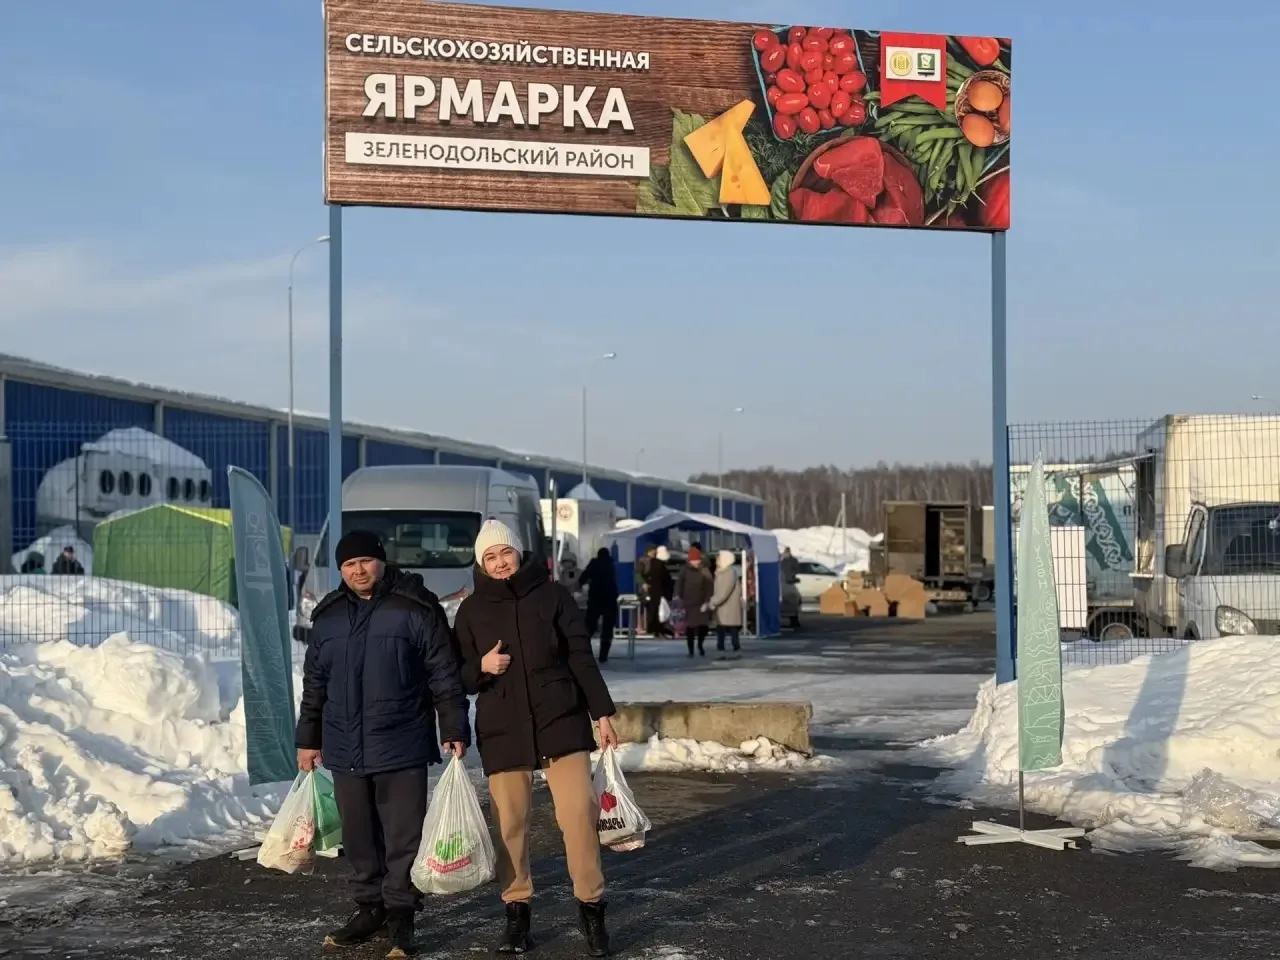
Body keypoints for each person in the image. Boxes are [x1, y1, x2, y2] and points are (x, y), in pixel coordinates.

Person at [295, 530, 470, 959]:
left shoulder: (414, 607)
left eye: (365, 561)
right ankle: (369, 908)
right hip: (344, 746)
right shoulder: (329, 617)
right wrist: (308, 739)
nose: (358, 570)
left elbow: (443, 672)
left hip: (401, 743)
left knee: (403, 837)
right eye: (348, 564)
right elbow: (315, 683)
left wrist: (453, 726)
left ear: (381, 561)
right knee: (358, 837)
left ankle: (401, 916)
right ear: (341, 569)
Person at [453, 519, 619, 958]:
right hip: (503, 727)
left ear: (519, 552)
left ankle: (591, 907)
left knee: (579, 814)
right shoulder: (471, 611)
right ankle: (516, 913)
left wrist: (601, 713)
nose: (500, 563)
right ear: (481, 563)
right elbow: (457, 674)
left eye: (505, 553)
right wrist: (481, 668)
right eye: (490, 557)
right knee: (510, 824)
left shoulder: (553, 596)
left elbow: (581, 657)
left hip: (560, 720)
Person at [579, 547, 619, 663]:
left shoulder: (594, 563)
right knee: (607, 628)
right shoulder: (611, 564)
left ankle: (582, 650)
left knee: (590, 625)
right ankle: (603, 655)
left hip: (595, 598)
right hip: (610, 599)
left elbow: (583, 577)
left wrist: (582, 585)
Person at [674, 547, 714, 657]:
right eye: (694, 560)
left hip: (701, 602)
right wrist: (677, 595)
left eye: (697, 560)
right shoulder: (684, 570)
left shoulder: (704, 570)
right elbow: (679, 583)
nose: (696, 562)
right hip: (688, 602)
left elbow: (709, 587)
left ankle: (700, 645)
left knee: (703, 627)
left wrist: (707, 601)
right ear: (690, 560)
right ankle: (690, 650)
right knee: (690, 628)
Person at [709, 549, 744, 654]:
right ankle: (723, 646)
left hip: (728, 606)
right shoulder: (721, 572)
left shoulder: (729, 573)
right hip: (723, 607)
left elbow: (724, 591)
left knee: (729, 627)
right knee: (723, 627)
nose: (716, 560)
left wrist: (713, 601)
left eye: (719, 558)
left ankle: (733, 647)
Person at [645, 545, 674, 638]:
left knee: (655, 611)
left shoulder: (652, 565)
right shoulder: (661, 567)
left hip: (654, 592)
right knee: (661, 613)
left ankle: (653, 629)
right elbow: (666, 581)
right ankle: (659, 630)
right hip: (661, 593)